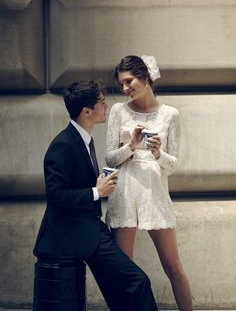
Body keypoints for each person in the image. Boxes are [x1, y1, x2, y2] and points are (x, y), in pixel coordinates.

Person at [33, 80, 158, 311]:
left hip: (89, 228)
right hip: (73, 234)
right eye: (101, 103)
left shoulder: (84, 140)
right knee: (137, 282)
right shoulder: (63, 144)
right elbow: (55, 195)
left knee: (124, 289)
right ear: (86, 111)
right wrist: (96, 192)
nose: (106, 107)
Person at [105, 55, 194, 311]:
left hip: (154, 193)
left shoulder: (170, 115)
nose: (125, 88)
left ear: (145, 77)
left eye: (129, 81)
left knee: (173, 267)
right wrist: (131, 145)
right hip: (124, 192)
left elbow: (173, 164)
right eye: (121, 84)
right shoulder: (118, 111)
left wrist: (158, 154)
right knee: (124, 272)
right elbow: (110, 157)